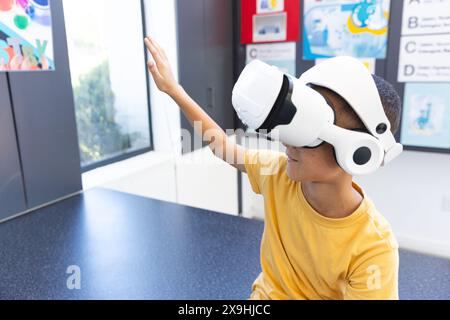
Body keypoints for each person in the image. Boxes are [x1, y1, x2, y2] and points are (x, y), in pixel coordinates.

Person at [144, 35, 401, 300]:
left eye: (309, 133)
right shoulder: (278, 174)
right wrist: (175, 90)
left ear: (359, 152)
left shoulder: (373, 248)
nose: (288, 141)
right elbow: (221, 146)